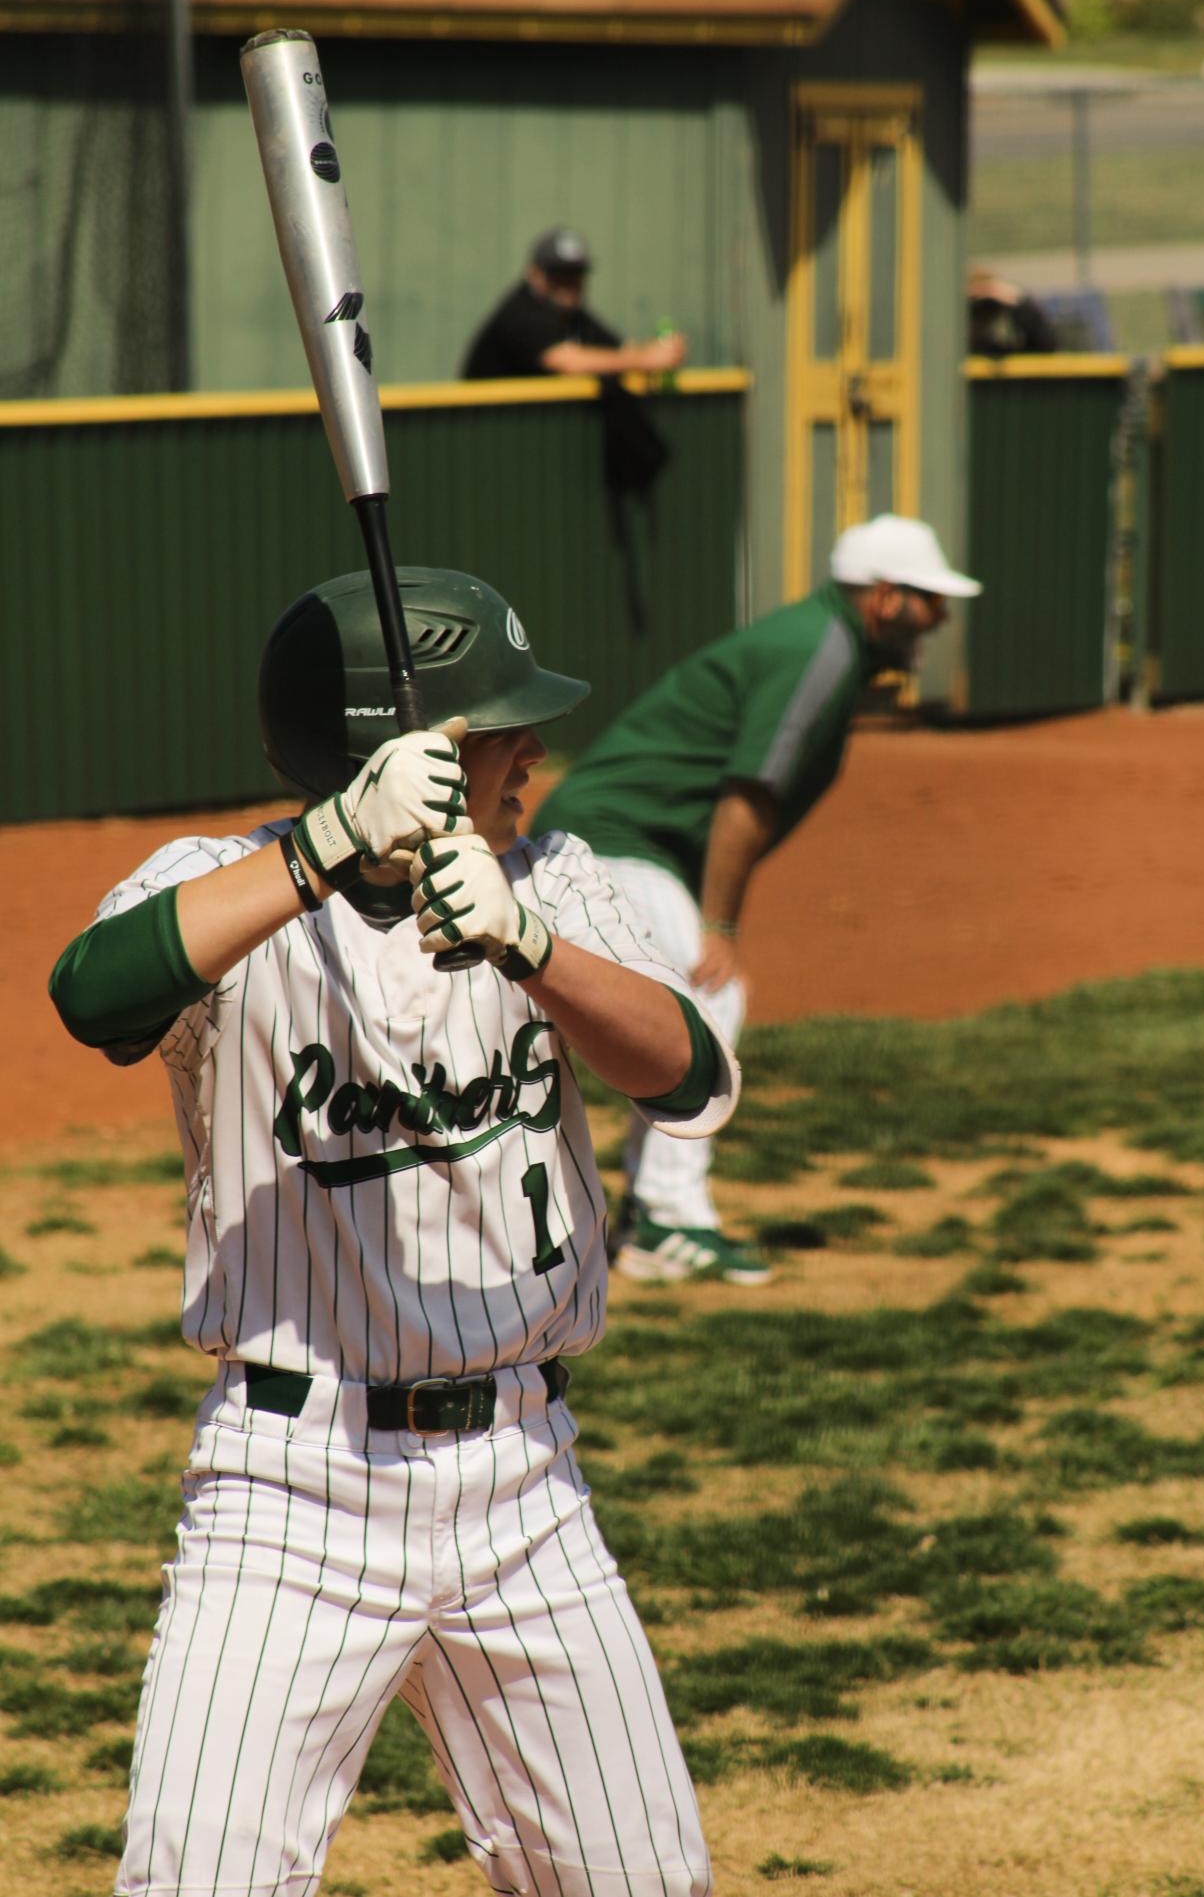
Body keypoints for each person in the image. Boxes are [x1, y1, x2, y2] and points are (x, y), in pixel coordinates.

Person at [48, 567, 738, 1897]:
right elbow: (95, 995)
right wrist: (318, 852)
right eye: (493, 733)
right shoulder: (217, 886)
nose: (529, 750)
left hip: (526, 1486)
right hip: (287, 1495)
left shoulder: (552, 879)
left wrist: (529, 943)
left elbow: (688, 1075)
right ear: (392, 754)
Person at [532, 514, 982, 1287]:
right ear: (883, 599)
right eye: (929, 602)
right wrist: (718, 924)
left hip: (633, 843)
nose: (938, 619)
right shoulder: (817, 650)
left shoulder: (821, 644)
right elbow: (748, 795)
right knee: (712, 991)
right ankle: (668, 1219)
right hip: (613, 839)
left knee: (698, 998)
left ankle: (652, 1211)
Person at [461, 227, 687, 381]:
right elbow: (566, 361)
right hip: (481, 436)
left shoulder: (573, 315)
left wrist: (660, 351)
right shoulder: (521, 313)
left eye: (575, 274)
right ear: (535, 274)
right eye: (558, 274)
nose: (569, 283)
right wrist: (645, 359)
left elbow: (619, 349)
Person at [967, 268, 1058, 358]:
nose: (985, 308)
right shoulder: (958, 345)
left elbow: (1045, 348)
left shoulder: (1000, 345)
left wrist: (1019, 301)